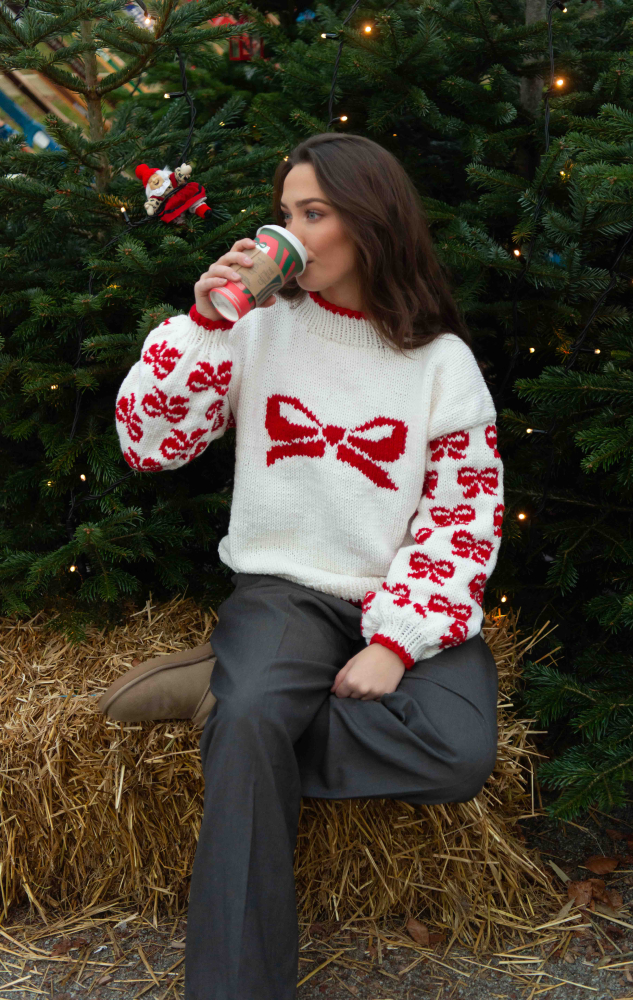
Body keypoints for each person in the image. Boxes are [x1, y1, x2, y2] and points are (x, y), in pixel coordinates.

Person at [113, 132, 504, 1000]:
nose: (288, 232)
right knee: (255, 718)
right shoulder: (254, 328)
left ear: (369, 222)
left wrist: (396, 643)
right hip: (283, 591)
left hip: (394, 593)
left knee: (457, 753)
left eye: (313, 213)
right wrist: (205, 324)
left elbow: (461, 515)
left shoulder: (440, 363)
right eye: (285, 213)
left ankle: (232, 706)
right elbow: (148, 444)